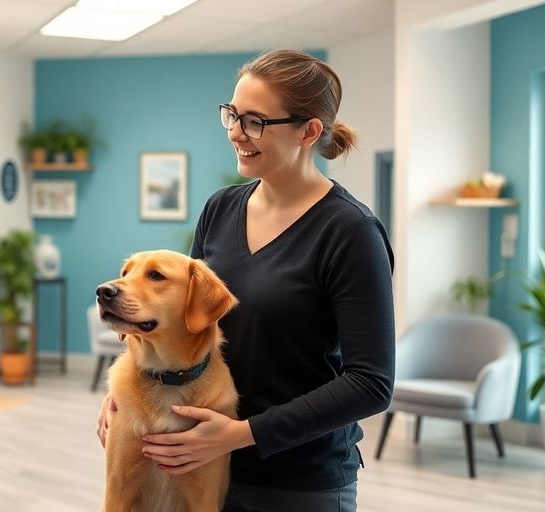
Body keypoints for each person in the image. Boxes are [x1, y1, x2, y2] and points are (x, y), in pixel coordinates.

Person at [97, 49, 394, 512]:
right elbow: (185, 322)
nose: (236, 133)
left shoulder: (350, 231)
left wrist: (240, 434)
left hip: (296, 481)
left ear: (309, 131)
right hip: (199, 460)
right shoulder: (221, 208)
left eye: (255, 121)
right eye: (232, 115)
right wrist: (127, 394)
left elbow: (371, 383)